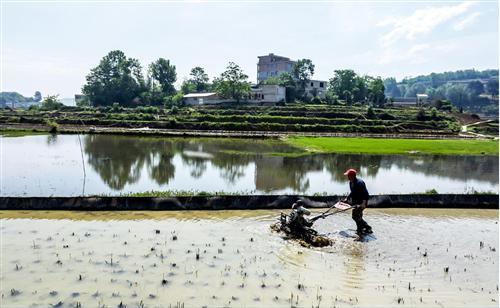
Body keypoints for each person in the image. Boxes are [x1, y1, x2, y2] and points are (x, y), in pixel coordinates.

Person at [343, 168, 372, 237]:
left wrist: (363, 203)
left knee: (355, 216)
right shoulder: (351, 182)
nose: (347, 177)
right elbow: (352, 192)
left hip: (362, 202)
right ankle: (361, 229)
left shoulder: (360, 183)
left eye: (348, 175)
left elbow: (365, 194)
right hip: (355, 202)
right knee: (358, 216)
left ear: (352, 176)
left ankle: (365, 228)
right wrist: (347, 199)